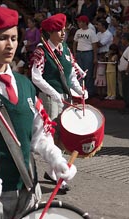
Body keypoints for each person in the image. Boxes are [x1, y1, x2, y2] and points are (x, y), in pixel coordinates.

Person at [0, 6, 77, 219]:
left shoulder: (25, 85)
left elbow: (40, 133)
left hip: (28, 190)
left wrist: (55, 158)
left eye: (13, 38)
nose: (9, 45)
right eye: (1, 38)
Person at [30, 13, 87, 190]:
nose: (63, 33)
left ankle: (53, 172)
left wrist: (79, 90)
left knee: (61, 135)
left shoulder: (66, 50)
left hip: (64, 96)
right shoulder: (41, 50)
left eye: (64, 29)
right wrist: (54, 93)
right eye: (59, 30)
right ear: (50, 32)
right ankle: (57, 175)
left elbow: (70, 75)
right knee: (50, 135)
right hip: (49, 97)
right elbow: (36, 76)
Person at [73, 15, 98, 97]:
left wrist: (95, 57)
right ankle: (80, 90)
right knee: (80, 73)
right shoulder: (78, 31)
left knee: (88, 73)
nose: (78, 23)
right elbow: (75, 42)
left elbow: (94, 45)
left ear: (84, 22)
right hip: (79, 53)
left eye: (80, 22)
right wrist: (74, 53)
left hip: (88, 53)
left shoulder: (91, 32)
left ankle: (89, 91)